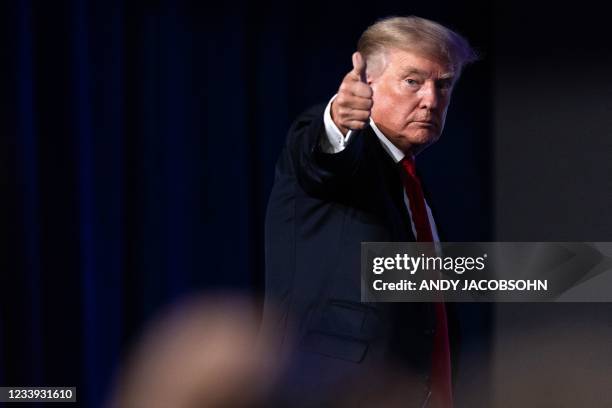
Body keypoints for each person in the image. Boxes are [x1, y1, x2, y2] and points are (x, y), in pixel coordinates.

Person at [263, 16, 477, 407]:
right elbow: (324, 157)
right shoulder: (347, 151)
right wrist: (338, 120)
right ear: (368, 83)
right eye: (413, 81)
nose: (431, 99)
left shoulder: (410, 185)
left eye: (443, 84)